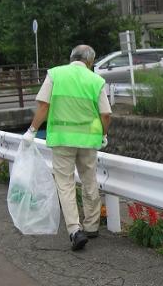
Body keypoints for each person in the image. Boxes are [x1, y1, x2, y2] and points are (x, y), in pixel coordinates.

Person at [23, 45, 112, 252]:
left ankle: (75, 230)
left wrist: (32, 131)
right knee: (90, 180)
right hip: (89, 141)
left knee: (65, 184)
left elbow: (43, 106)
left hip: (62, 140)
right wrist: (103, 135)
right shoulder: (96, 80)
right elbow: (106, 115)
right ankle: (91, 226)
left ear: (71, 57)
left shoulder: (55, 74)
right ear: (90, 62)